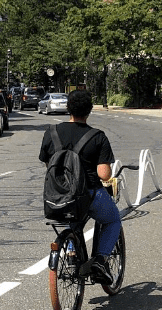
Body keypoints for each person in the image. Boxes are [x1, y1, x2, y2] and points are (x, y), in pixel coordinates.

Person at [38, 89, 122, 284]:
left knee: (70, 221)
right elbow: (104, 174)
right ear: (90, 110)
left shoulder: (51, 133)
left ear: (68, 108)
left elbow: (48, 165)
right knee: (112, 220)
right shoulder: (97, 136)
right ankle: (100, 261)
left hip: (58, 197)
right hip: (90, 195)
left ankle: (72, 252)